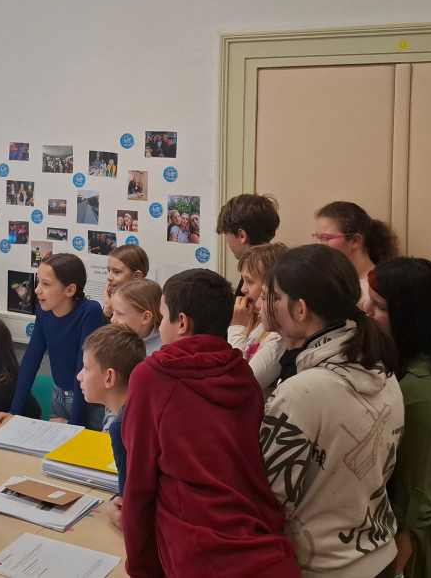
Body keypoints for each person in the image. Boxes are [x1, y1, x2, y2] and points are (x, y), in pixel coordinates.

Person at [122, 269, 300, 578]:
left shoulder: (152, 376)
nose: (160, 326)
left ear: (182, 323)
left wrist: (140, 568)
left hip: (197, 550)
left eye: (163, 317)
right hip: (261, 541)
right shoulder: (243, 372)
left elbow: (139, 483)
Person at [260, 244, 404, 578]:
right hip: (380, 554)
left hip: (326, 565)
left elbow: (269, 497)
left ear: (300, 309)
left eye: (276, 297)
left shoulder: (302, 391)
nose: (270, 305)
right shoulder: (383, 369)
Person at [364, 258, 431, 578]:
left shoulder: (419, 391)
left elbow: (417, 492)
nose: (367, 311)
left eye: (380, 307)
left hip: (421, 534)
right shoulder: (413, 365)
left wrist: (397, 563)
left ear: (410, 318)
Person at [0, 253, 106, 430]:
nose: (37, 290)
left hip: (88, 400)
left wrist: (75, 423)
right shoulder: (44, 311)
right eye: (38, 282)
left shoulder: (90, 312)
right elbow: (31, 361)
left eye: (46, 284)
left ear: (69, 290)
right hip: (59, 395)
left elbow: (84, 368)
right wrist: (14, 412)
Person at [76, 324, 146, 531]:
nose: (79, 376)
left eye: (86, 368)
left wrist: (114, 505)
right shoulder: (140, 408)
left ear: (109, 378)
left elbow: (126, 508)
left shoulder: (122, 427)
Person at [227, 242, 289, 395]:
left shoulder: (278, 336)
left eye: (250, 281)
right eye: (243, 280)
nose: (243, 289)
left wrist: (237, 328)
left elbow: (239, 386)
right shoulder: (255, 319)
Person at [314, 201, 400, 309]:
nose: (319, 244)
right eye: (318, 237)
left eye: (326, 238)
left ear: (355, 241)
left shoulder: (379, 287)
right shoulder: (330, 280)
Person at [109, 278, 163, 356]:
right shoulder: (114, 340)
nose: (112, 320)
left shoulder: (163, 352)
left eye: (120, 314)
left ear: (145, 317)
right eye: (113, 312)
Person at [103, 243, 149, 320]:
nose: (109, 277)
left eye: (116, 272)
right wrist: (108, 311)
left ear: (136, 276)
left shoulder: (142, 309)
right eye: (109, 270)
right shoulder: (115, 304)